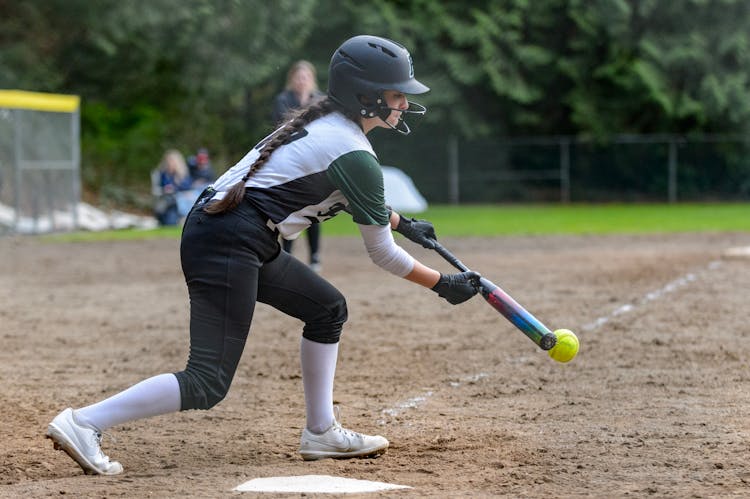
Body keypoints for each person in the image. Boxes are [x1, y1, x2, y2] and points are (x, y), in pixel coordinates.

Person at [45, 35, 480, 476]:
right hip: (230, 238)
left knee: (328, 309)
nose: (404, 103)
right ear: (365, 96)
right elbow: (383, 255)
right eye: (395, 94)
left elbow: (335, 190)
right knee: (207, 380)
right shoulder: (354, 152)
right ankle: (84, 422)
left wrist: (403, 223)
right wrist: (441, 284)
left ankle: (321, 431)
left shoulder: (330, 124)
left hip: (233, 232)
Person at [272, 60, 326, 271]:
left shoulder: (320, 99)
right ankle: (287, 255)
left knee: (314, 208)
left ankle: (314, 256)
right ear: (292, 79)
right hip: (291, 160)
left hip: (314, 162)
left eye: (305, 77)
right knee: (290, 208)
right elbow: (282, 127)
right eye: (298, 77)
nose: (302, 81)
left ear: (311, 79)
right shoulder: (283, 100)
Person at [153, 149, 194, 226]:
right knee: (168, 218)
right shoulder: (163, 174)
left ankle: (181, 217)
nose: (170, 163)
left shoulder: (182, 174)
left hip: (179, 199)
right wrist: (166, 189)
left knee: (170, 219)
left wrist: (175, 186)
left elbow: (187, 187)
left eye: (172, 161)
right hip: (167, 197)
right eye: (168, 161)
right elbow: (159, 187)